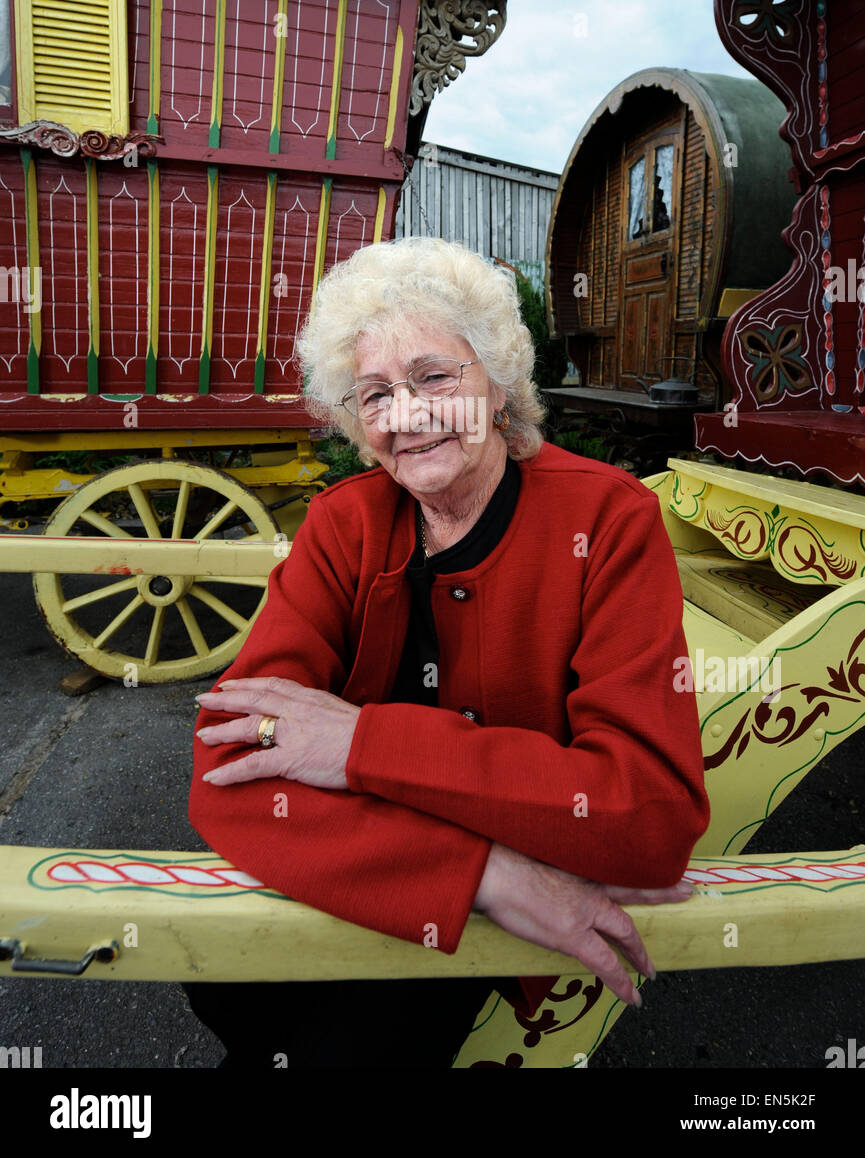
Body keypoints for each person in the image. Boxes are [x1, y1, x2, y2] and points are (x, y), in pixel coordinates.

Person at [186, 237, 710, 1068]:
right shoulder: (342, 525)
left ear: (497, 382)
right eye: (374, 396)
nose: (406, 415)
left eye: (433, 377)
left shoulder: (606, 521)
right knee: (217, 978)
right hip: (453, 882)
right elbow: (226, 757)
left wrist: (357, 744)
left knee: (352, 1042)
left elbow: (647, 818)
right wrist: (489, 871)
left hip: (445, 938)